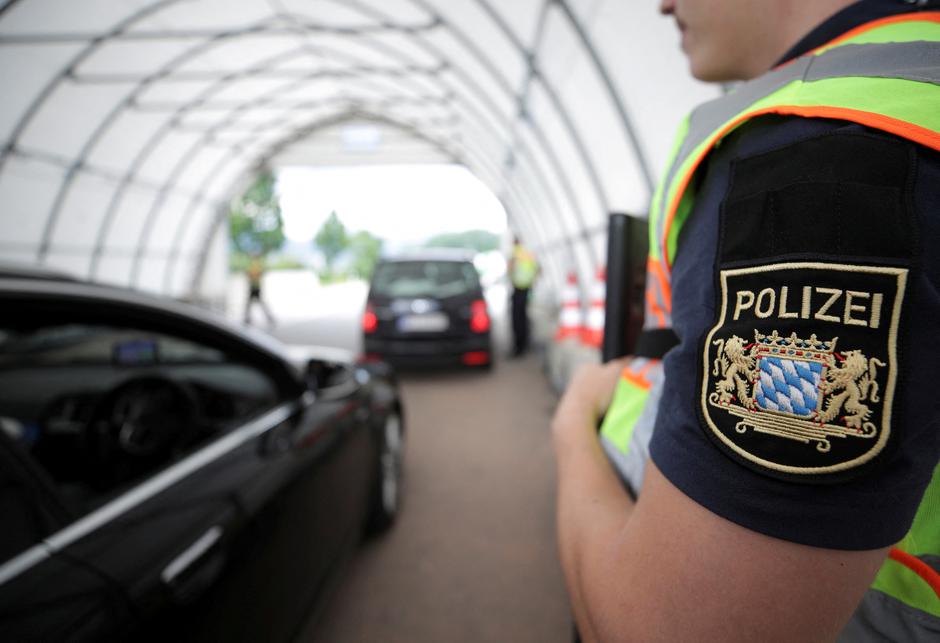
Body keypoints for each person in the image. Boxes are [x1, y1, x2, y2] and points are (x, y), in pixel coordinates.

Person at [552, 1, 940, 641]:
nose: (662, 4)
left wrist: (572, 427)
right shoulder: (904, 90)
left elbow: (658, 630)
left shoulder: (824, 157)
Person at [508, 236, 539, 356]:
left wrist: (511, 278)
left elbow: (510, 269)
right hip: (527, 288)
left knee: (517, 319)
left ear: (514, 242)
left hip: (518, 288)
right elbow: (538, 270)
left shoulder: (515, 253)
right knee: (524, 317)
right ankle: (525, 344)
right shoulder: (528, 253)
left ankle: (518, 347)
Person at [244, 254, 275, 326]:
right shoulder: (255, 264)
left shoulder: (254, 264)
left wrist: (250, 275)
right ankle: (269, 317)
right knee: (254, 303)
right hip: (255, 286)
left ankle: (247, 318)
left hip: (254, 287)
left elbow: (255, 274)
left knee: (251, 303)